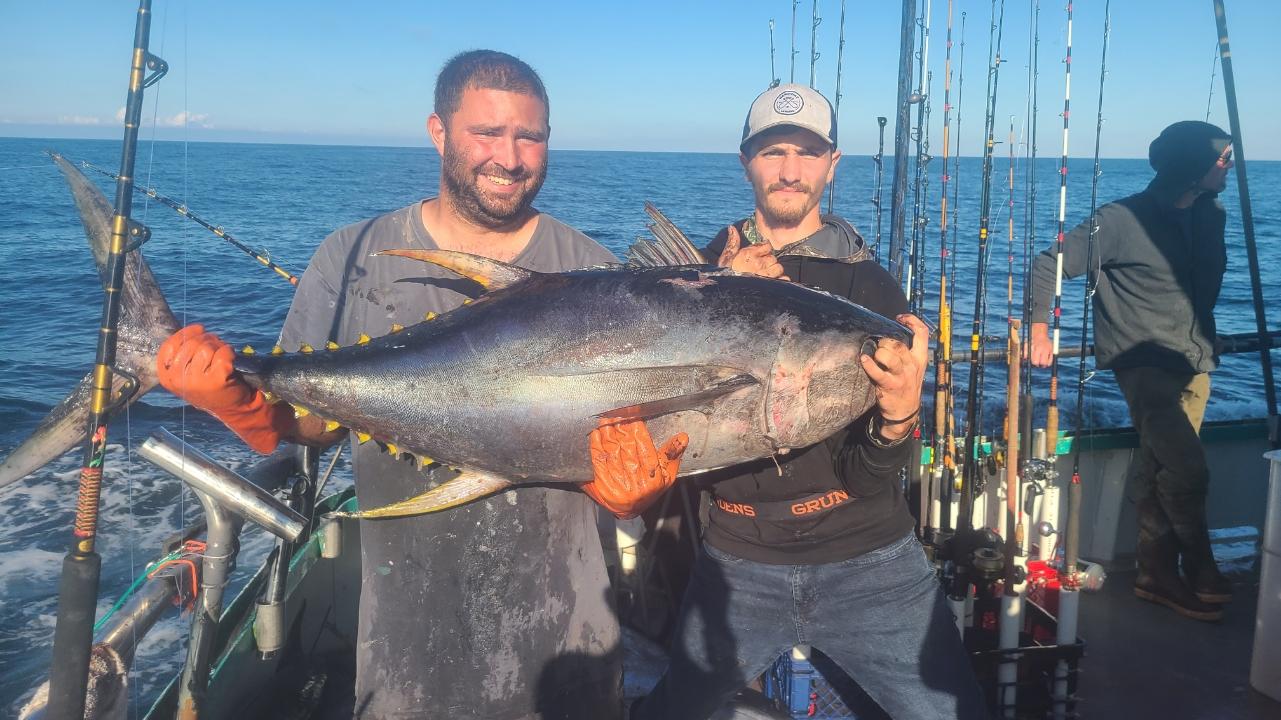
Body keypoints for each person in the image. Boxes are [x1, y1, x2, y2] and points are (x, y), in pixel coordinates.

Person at [156, 50, 684, 719]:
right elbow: (311, 424)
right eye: (486, 133)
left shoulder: (593, 272)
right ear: (438, 132)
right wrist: (237, 401)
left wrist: (631, 488)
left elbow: (617, 431)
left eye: (529, 136)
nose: (510, 157)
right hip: (407, 642)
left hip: (567, 637)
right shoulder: (353, 258)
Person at [631, 83, 988, 720]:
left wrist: (903, 412)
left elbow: (869, 473)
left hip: (870, 555)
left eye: (806, 152)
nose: (790, 171)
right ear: (746, 160)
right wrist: (728, 302)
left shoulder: (868, 286)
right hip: (738, 555)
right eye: (773, 152)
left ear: (832, 163)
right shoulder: (692, 273)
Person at [1028, 120, 1235, 623]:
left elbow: (1195, 287)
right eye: (1221, 157)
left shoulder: (1212, 216)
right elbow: (1049, 263)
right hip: (1145, 368)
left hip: (1196, 362)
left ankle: (1154, 575)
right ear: (1191, 164)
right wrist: (1038, 328)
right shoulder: (1120, 219)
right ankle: (1200, 568)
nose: (1228, 165)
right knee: (1188, 468)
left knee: (1160, 466)